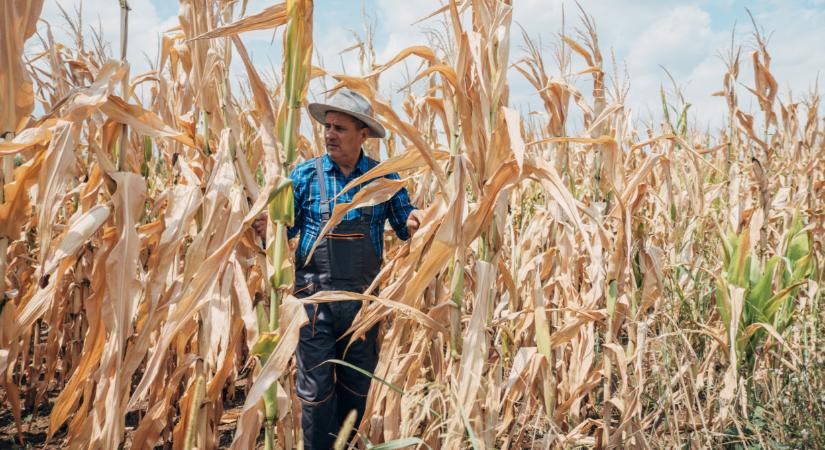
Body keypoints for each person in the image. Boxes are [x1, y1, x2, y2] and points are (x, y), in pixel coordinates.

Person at [253, 88, 424, 449]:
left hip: (363, 304)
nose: (330, 134)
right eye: (327, 127)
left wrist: (417, 220)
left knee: (356, 392)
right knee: (315, 394)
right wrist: (267, 224)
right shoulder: (304, 176)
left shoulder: (383, 178)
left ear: (363, 134)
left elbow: (402, 224)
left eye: (340, 128)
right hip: (314, 305)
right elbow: (285, 230)